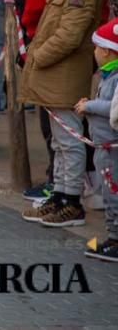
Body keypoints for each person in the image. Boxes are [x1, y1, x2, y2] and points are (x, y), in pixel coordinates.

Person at [20, 0, 109, 228]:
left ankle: (70, 202)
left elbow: (70, 34)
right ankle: (60, 195)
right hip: (54, 73)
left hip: (64, 73)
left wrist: (38, 57)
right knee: (60, 141)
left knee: (69, 140)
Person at [3, 0, 52, 201]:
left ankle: (60, 180)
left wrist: (27, 41)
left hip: (37, 38)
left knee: (52, 114)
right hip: (29, 35)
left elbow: (34, 1)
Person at [77, 17, 118, 261]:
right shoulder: (107, 76)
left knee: (114, 194)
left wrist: (89, 106)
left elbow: (113, 108)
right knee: (108, 192)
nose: (94, 52)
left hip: (112, 148)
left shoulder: (115, 79)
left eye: (96, 48)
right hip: (103, 147)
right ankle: (112, 235)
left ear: (107, 51)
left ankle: (116, 237)